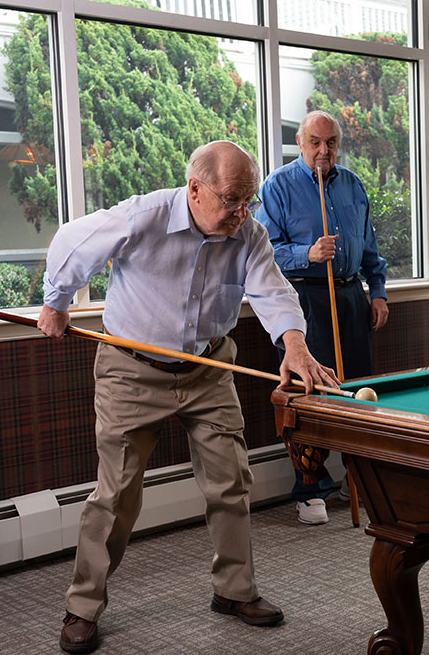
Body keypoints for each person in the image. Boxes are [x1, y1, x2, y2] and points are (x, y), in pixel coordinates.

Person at [38, 140, 338, 654]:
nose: (242, 213)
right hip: (132, 371)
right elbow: (72, 240)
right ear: (195, 189)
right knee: (116, 496)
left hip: (207, 368)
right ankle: (82, 606)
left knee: (231, 482)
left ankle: (234, 591)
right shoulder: (143, 216)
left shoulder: (247, 232)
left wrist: (294, 344)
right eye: (231, 200)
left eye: (249, 201)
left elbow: (271, 290)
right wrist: (57, 302)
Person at [256, 110, 389, 526]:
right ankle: (310, 488)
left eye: (331, 142)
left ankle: (361, 477)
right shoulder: (277, 186)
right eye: (315, 142)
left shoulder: (351, 184)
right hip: (304, 301)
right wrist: (307, 254)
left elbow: (368, 245)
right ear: (300, 141)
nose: (323, 150)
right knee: (310, 391)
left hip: (350, 295)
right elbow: (261, 253)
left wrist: (378, 291)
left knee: (358, 388)